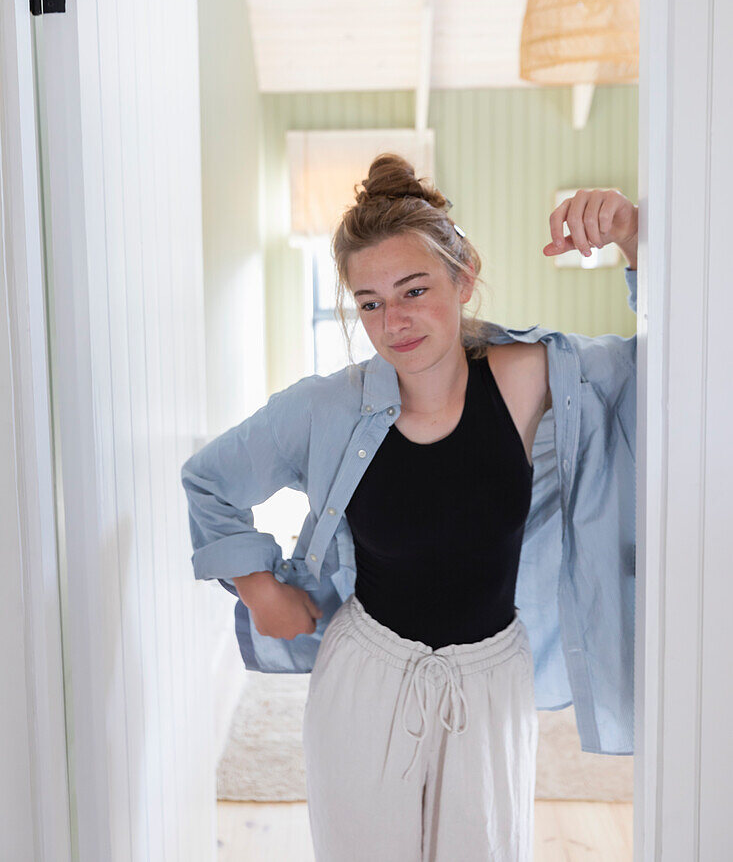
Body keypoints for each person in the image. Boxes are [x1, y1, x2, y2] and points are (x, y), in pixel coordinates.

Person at [181, 153, 639, 861]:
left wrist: (636, 242)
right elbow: (208, 479)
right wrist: (257, 587)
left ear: (463, 278)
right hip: (367, 676)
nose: (392, 320)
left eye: (413, 289)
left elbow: (671, 371)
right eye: (369, 302)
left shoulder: (531, 377)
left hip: (491, 681)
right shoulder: (324, 406)